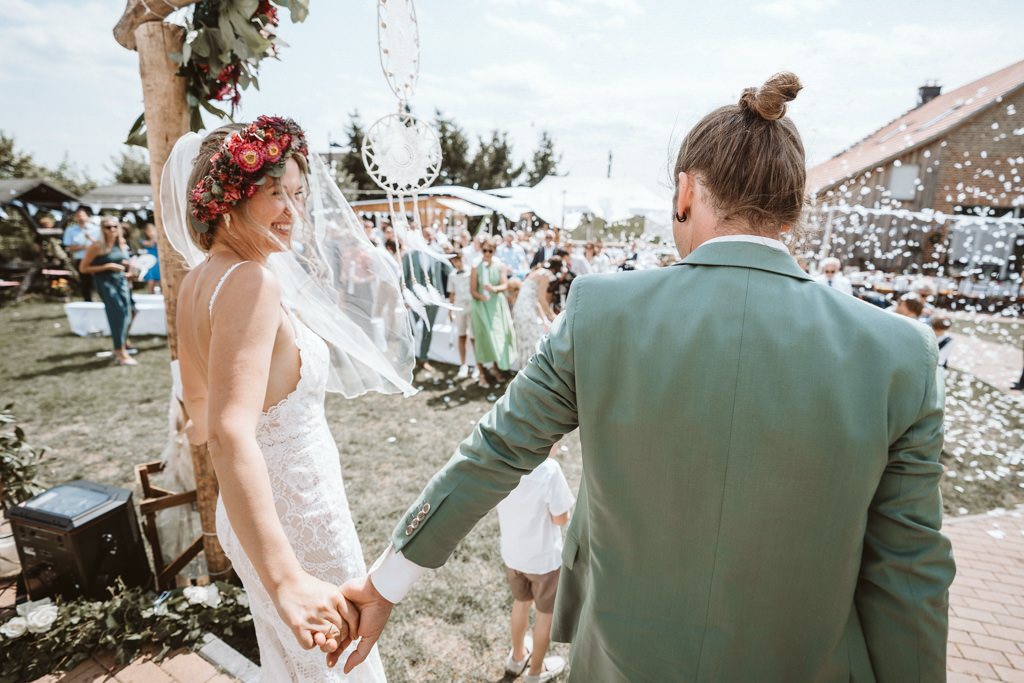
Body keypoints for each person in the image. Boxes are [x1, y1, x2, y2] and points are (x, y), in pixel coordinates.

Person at [332, 72, 954, 681]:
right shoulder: (902, 352)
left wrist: (385, 582)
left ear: (685, 192)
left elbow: (496, 451)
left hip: (621, 664)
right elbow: (910, 572)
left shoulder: (600, 311)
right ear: (792, 211)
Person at [166, 116, 413, 682]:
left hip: (247, 514)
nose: (293, 211)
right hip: (295, 515)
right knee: (341, 667)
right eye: (276, 193)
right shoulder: (252, 282)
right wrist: (286, 578)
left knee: (295, 667)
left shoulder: (197, 281)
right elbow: (227, 432)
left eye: (299, 195)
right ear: (229, 198)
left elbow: (198, 418)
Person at [496, 443, 573, 683]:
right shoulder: (549, 469)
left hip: (513, 556)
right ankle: (535, 671)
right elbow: (560, 519)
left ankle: (517, 657)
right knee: (544, 615)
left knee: (521, 603)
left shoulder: (501, 463)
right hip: (544, 561)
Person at [79, 216, 136, 365]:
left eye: (115, 226)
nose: (112, 229)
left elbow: (121, 260)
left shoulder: (121, 243)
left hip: (121, 281)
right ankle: (120, 351)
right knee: (117, 314)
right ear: (102, 229)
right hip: (105, 282)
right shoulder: (96, 246)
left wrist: (131, 269)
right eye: (108, 227)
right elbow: (83, 268)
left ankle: (119, 347)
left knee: (127, 313)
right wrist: (107, 266)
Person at [402, 225, 451, 372]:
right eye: (426, 235)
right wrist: (406, 298)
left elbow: (449, 271)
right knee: (409, 329)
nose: (429, 238)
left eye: (430, 235)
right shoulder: (410, 254)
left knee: (428, 329)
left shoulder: (438, 252)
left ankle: (423, 358)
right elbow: (404, 277)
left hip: (434, 298)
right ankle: (407, 357)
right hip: (415, 299)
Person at [469, 236, 516, 387]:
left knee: (498, 336)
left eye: (490, 251)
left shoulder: (500, 265)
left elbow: (505, 285)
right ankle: (483, 372)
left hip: (496, 305)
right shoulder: (475, 266)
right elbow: (472, 290)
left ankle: (497, 368)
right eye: (485, 250)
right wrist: (480, 296)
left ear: (495, 251)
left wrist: (494, 289)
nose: (487, 254)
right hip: (481, 306)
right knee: (483, 337)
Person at [512, 258, 560, 369]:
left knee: (526, 341)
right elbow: (541, 298)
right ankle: (530, 370)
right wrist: (551, 315)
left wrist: (545, 319)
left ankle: (526, 369)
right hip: (526, 311)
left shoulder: (537, 272)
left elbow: (536, 301)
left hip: (521, 309)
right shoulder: (545, 275)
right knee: (531, 340)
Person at [446, 252, 475, 379]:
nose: (456, 264)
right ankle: (464, 364)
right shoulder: (452, 275)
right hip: (459, 306)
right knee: (461, 335)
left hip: (471, 306)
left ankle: (477, 364)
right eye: (454, 262)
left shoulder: (471, 271)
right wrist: (450, 310)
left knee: (473, 337)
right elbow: (451, 294)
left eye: (458, 260)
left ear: (463, 259)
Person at [63, 207, 100, 301]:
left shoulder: (96, 229)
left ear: (87, 216)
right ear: (75, 218)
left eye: (83, 215)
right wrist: (82, 247)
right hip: (81, 259)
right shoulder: (70, 230)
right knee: (85, 283)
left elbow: (102, 244)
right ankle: (88, 302)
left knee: (99, 280)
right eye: (78, 216)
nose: (81, 218)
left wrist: (91, 242)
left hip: (96, 259)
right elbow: (69, 248)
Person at [139, 222, 161, 293]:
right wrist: (153, 237)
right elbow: (151, 244)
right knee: (151, 279)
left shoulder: (158, 240)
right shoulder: (143, 241)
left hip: (158, 261)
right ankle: (151, 293)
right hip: (150, 262)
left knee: (160, 278)